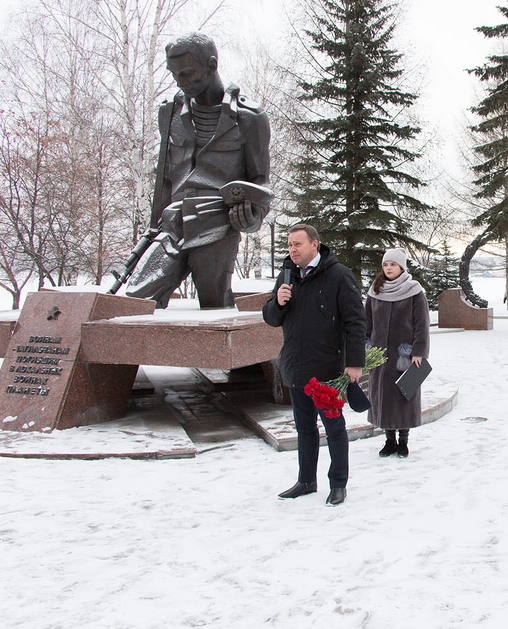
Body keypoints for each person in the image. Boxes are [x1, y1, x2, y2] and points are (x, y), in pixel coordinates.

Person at [126, 32, 272, 309]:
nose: (181, 82)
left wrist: (250, 219)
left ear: (212, 65)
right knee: (134, 301)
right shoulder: (169, 113)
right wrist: (151, 230)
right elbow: (165, 180)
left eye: (188, 73)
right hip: (171, 225)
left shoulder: (249, 118)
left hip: (216, 225)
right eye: (175, 75)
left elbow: (260, 181)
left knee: (215, 307)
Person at [262, 224, 366, 506]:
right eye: (289, 245)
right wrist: (278, 303)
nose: (292, 250)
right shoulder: (287, 275)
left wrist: (355, 363)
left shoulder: (339, 275)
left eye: (298, 244)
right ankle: (306, 480)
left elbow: (356, 322)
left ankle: (338, 483)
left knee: (334, 429)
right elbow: (270, 318)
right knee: (304, 428)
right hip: (296, 367)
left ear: (315, 245)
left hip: (328, 371)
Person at [364, 248, 431, 458]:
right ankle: (389, 440)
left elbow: (422, 325)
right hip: (379, 357)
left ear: (402, 267)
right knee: (382, 398)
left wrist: (419, 352)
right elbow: (366, 323)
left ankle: (403, 441)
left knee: (404, 397)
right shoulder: (375, 291)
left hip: (405, 357)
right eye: (385, 264)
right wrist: (366, 347)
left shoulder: (414, 291)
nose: (388, 268)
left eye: (393, 264)